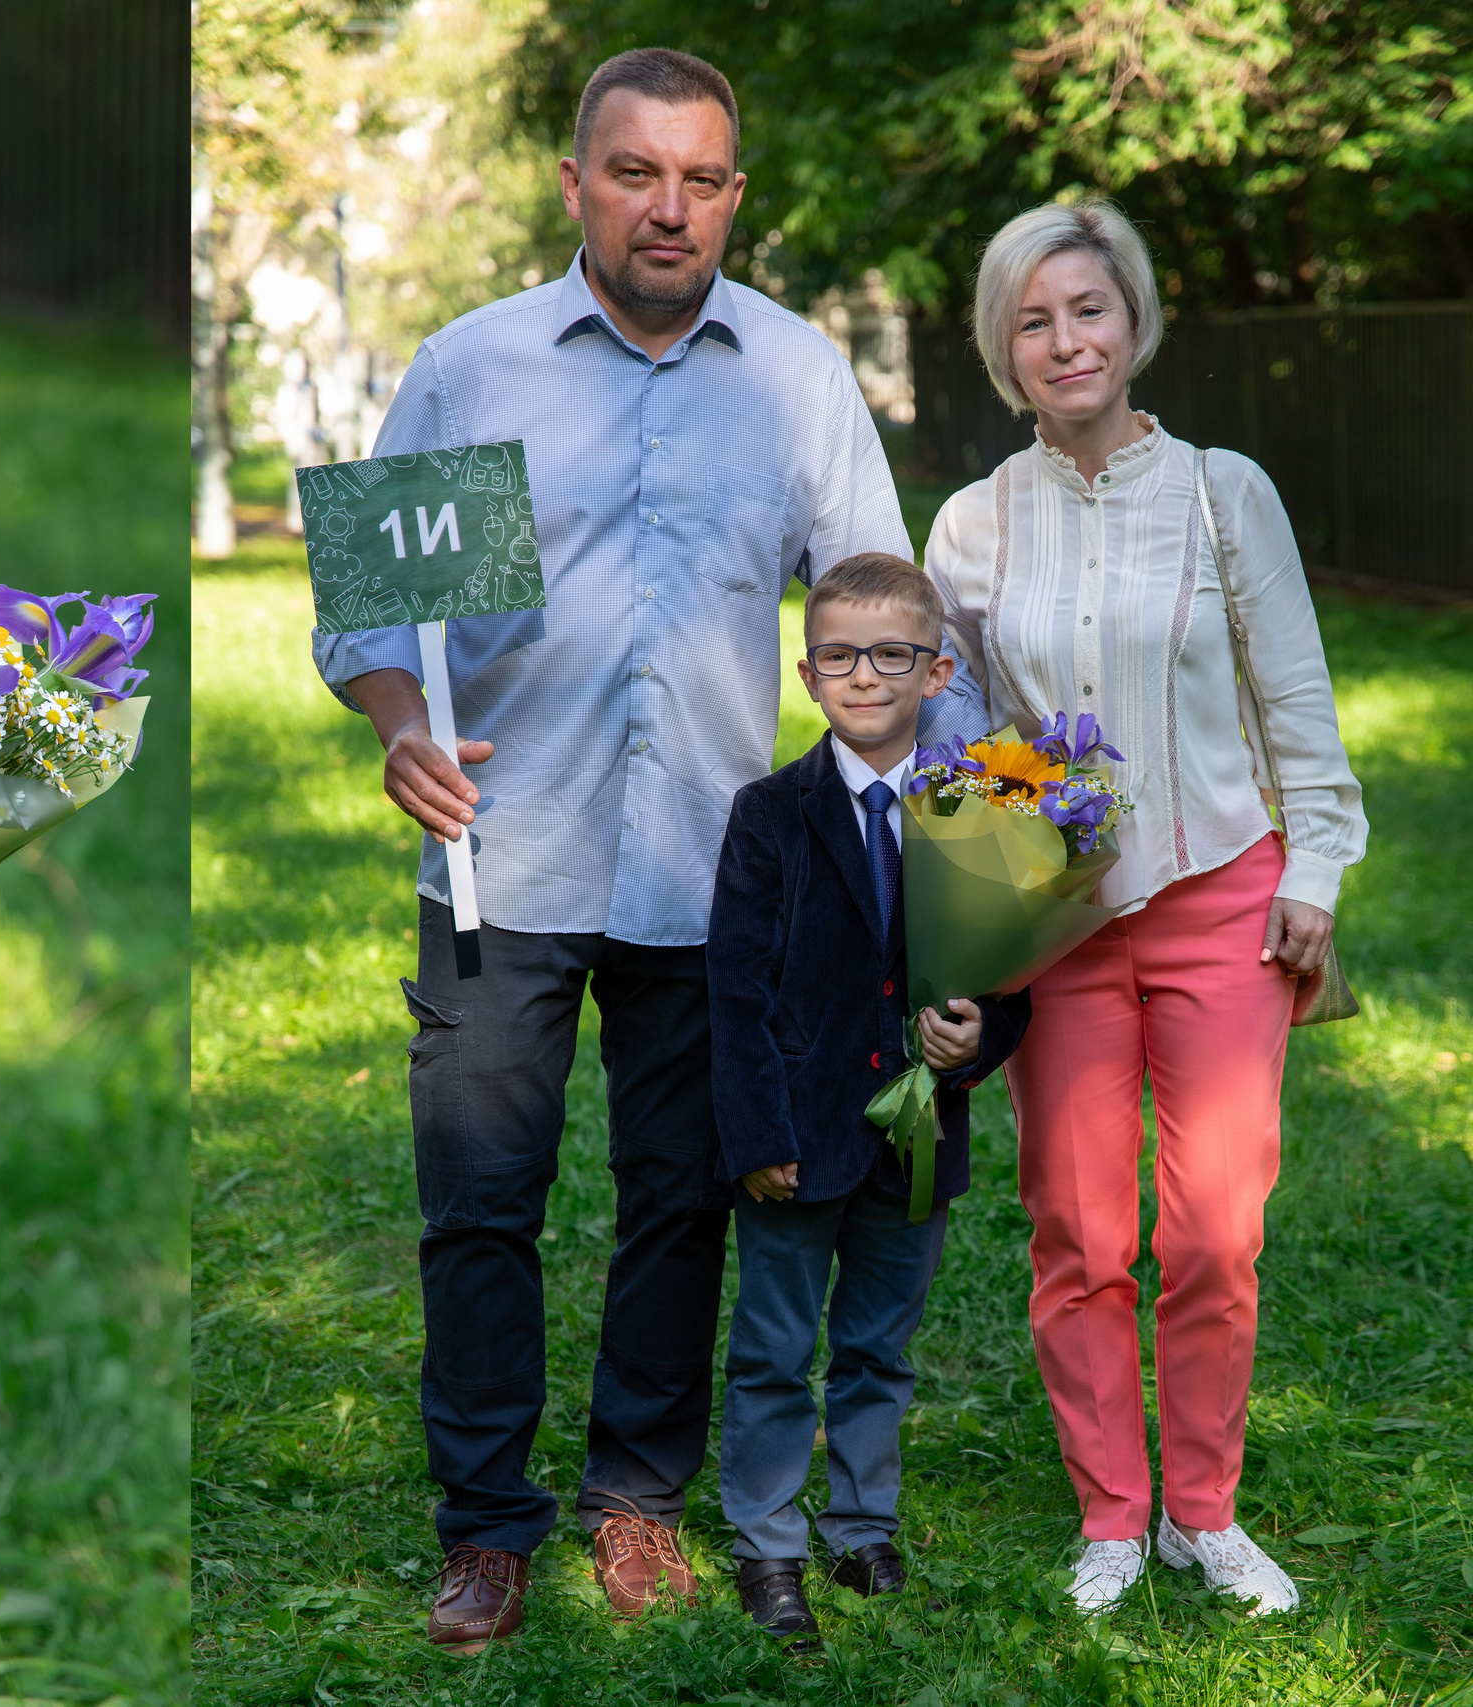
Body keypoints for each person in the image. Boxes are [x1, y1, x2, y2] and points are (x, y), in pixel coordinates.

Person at [313, 46, 940, 1651]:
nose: (670, 207)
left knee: (681, 1195)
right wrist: (402, 722)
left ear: (735, 195)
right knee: (479, 1199)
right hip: (498, 852)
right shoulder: (473, 367)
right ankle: (484, 1523)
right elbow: (369, 616)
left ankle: (636, 1493)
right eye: (636, 172)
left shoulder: (797, 375)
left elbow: (876, 600)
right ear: (577, 184)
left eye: (701, 178)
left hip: (713, 867)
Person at [922, 199, 1368, 1615]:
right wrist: (996, 872)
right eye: (1034, 320)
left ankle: (1206, 1512)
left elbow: (1295, 697)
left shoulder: (1225, 492)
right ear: (1003, 346)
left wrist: (1313, 870)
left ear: (1134, 322)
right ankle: (1115, 1513)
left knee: (1217, 1230)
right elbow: (954, 741)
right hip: (1055, 920)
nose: (1066, 341)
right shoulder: (970, 522)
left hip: (1222, 892)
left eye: (1089, 310)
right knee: (1076, 1226)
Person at [706, 551, 1030, 1647]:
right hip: (795, 1139)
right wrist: (757, 1133)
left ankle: (860, 1525)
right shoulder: (768, 814)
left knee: (879, 1347)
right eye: (838, 656)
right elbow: (735, 989)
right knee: (774, 1348)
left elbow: (1013, 974)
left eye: (892, 655)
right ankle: (767, 1543)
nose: (863, 676)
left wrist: (978, 1039)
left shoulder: (986, 808)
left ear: (937, 673)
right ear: (807, 675)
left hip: (916, 1138)